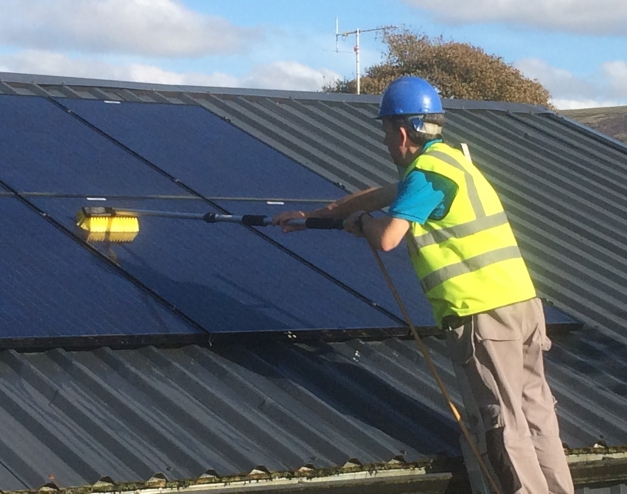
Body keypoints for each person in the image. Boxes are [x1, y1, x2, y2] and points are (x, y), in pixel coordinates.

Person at [273, 76, 574, 494]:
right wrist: (315, 217)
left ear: (400, 132)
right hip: (523, 307)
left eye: (383, 131)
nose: (384, 140)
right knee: (537, 414)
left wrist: (358, 225)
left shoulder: (425, 175)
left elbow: (388, 237)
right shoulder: (451, 163)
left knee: (501, 422)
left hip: (483, 316)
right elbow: (380, 195)